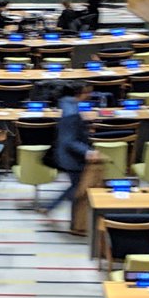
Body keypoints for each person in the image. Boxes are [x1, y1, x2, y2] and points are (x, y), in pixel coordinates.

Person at [42, 82, 101, 234]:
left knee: (76, 187)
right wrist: (87, 151)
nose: (89, 96)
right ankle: (76, 221)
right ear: (80, 93)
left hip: (69, 156)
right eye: (88, 93)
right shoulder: (71, 113)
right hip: (71, 158)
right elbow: (69, 140)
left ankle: (53, 209)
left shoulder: (69, 105)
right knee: (78, 188)